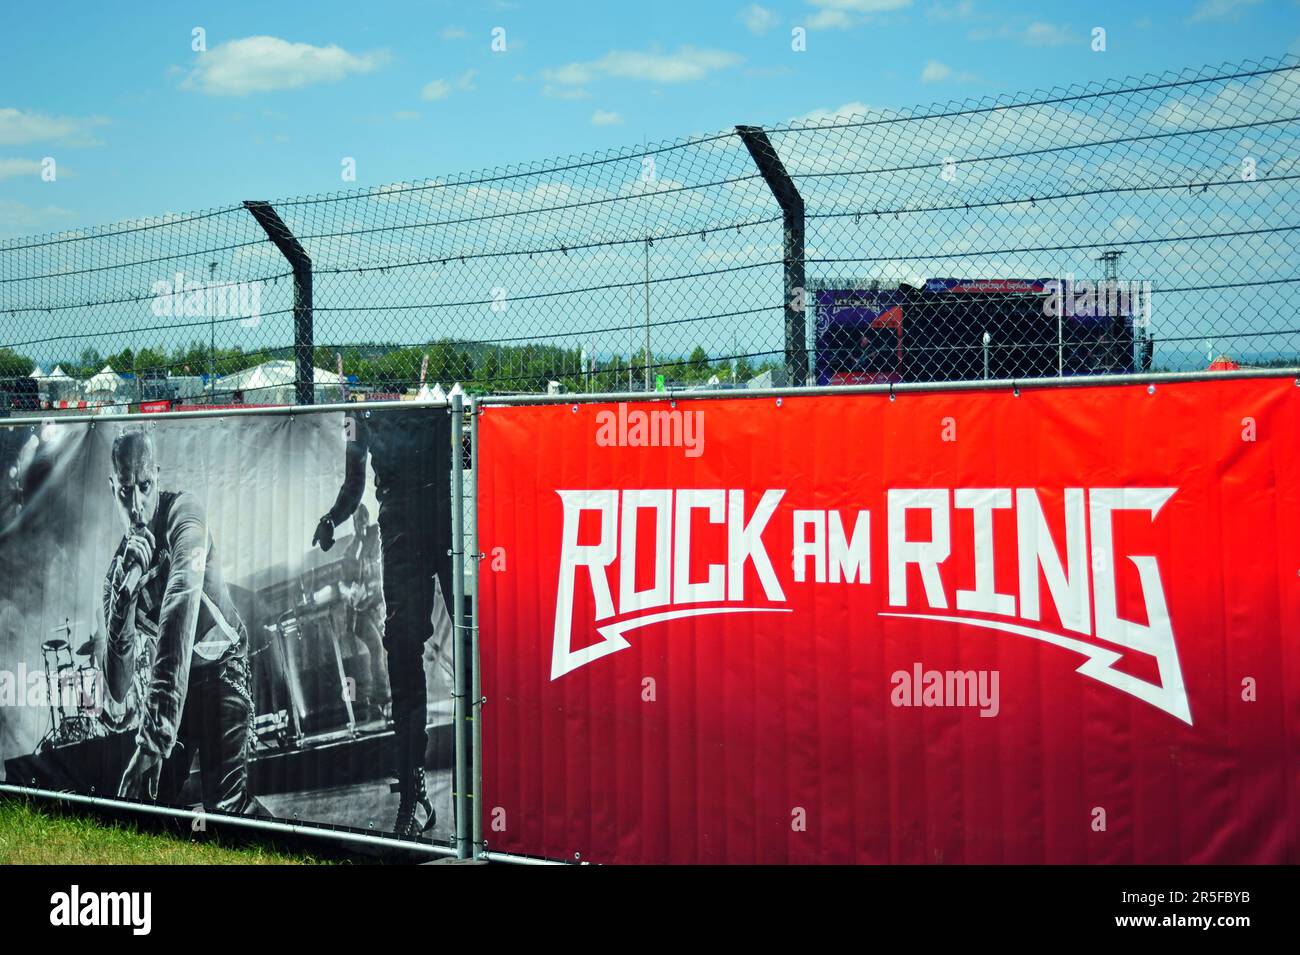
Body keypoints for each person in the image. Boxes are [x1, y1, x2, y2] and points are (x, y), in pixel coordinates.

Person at [313, 408, 450, 840]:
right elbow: (354, 485)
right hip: (406, 529)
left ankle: (488, 782)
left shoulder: (432, 402)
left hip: (445, 517)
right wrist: (333, 518)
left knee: (473, 635)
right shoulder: (365, 410)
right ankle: (413, 794)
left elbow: (467, 450)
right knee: (402, 653)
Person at [102, 429, 256, 815]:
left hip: (223, 670)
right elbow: (118, 687)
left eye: (144, 486)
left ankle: (288, 846)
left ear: (157, 475)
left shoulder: (185, 514)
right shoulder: (117, 574)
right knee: (150, 804)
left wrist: (154, 737)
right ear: (113, 488)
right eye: (125, 491)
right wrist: (123, 603)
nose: (136, 505)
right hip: (180, 687)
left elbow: (179, 605)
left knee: (226, 813)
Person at [342, 502, 390, 723]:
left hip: (380, 606)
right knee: (377, 648)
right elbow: (343, 585)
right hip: (359, 614)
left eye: (363, 520)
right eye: (356, 521)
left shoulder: (377, 536)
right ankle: (383, 700)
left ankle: (380, 701)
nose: (361, 525)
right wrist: (350, 592)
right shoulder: (351, 551)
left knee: (387, 650)